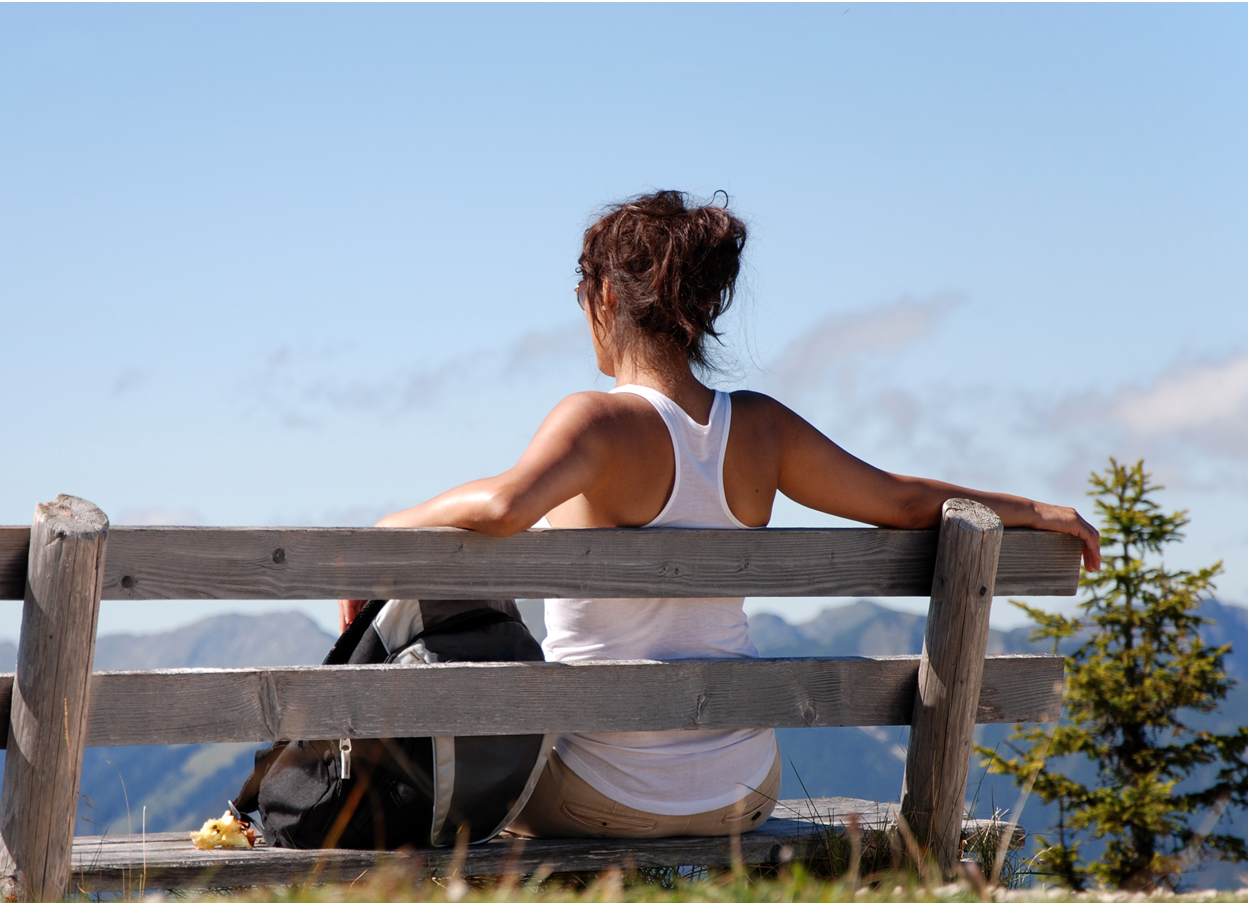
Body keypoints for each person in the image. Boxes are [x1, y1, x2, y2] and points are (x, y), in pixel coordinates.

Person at [338, 190, 1101, 840]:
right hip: (742, 789)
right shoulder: (762, 429)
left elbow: (503, 506)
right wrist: (1031, 508)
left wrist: (376, 538)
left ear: (604, 297)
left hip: (595, 791)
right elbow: (902, 502)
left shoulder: (594, 422)